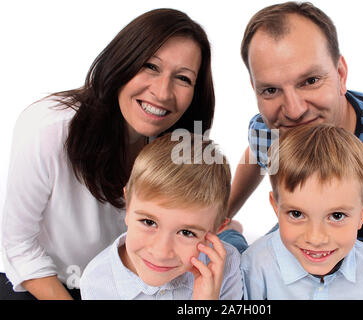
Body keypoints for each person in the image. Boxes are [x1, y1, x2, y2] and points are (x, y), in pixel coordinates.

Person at [229, 1, 363, 299]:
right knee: (235, 267)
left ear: (341, 74)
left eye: (310, 81)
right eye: (270, 90)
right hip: (304, 243)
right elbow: (256, 152)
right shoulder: (269, 129)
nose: (293, 111)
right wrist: (223, 214)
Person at [1, 8, 216, 300]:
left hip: (124, 285)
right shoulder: (48, 129)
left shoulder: (176, 146)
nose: (163, 93)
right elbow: (17, 244)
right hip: (44, 281)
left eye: (183, 78)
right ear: (122, 62)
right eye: (151, 66)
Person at [241, 124, 363, 299]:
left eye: (337, 216)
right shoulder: (252, 267)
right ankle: (232, 230)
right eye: (297, 214)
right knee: (231, 242)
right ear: (276, 207)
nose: (315, 239)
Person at [80, 133, 243, 300]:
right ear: (128, 206)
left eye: (187, 233)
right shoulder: (96, 283)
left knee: (235, 241)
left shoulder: (227, 267)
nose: (161, 252)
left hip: (230, 242)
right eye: (148, 222)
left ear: (215, 231)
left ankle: (232, 230)